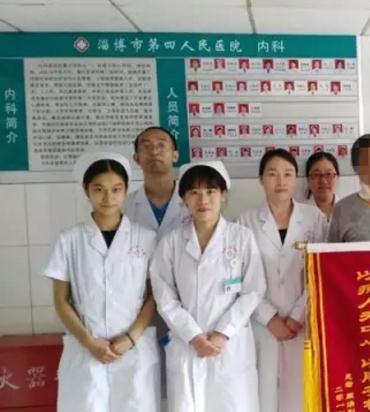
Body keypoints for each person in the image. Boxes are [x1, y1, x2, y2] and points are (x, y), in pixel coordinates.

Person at [44, 152, 160, 412]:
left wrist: (130, 338)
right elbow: (61, 300)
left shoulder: (146, 238)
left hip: (133, 350)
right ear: (86, 190)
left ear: (126, 191)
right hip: (86, 350)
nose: (108, 197)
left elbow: (155, 296)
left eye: (116, 189)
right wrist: (89, 341)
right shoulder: (69, 239)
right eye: (99, 189)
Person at [150, 161, 266, 412]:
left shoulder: (241, 237)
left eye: (211, 191)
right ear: (184, 199)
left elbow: (253, 290)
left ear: (223, 194)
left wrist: (223, 333)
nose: (203, 199)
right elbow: (164, 296)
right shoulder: (171, 242)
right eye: (194, 192)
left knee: (233, 404)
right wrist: (193, 335)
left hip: (230, 345)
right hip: (187, 345)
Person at [238, 149, 327, 412]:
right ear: (261, 180)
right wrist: (269, 318)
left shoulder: (314, 218)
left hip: (304, 323)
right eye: (272, 174)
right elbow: (241, 277)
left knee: (301, 394)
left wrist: (297, 315)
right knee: (263, 395)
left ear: (296, 179)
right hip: (262, 324)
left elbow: (320, 272)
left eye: (288, 174)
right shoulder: (244, 222)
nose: (281, 181)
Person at [125, 127, 190, 238]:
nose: (154, 152)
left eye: (161, 145)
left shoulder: (195, 200)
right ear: (136, 158)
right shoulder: (124, 205)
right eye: (146, 146)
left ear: (175, 155)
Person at [304, 151, 340, 218]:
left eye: (329, 174)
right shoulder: (298, 213)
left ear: (337, 178)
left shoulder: (350, 210)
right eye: (316, 175)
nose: (323, 181)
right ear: (308, 180)